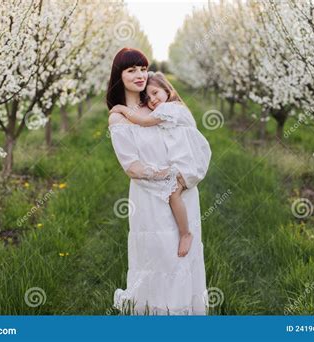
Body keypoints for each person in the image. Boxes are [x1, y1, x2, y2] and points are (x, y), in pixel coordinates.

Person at [107, 47, 211, 315]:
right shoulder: (118, 117)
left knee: (183, 259)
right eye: (131, 70)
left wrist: (184, 174)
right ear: (120, 76)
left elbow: (185, 136)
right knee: (160, 257)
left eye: (143, 68)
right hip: (150, 196)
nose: (140, 75)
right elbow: (131, 166)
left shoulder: (155, 105)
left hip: (183, 192)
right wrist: (166, 175)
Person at [109, 71, 211, 258]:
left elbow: (145, 121)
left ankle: (185, 233)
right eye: (147, 98)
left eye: (155, 93)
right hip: (184, 159)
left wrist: (122, 110)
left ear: (167, 90)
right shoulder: (170, 108)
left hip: (185, 161)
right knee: (175, 194)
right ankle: (185, 232)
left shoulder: (171, 108)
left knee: (174, 194)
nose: (153, 100)